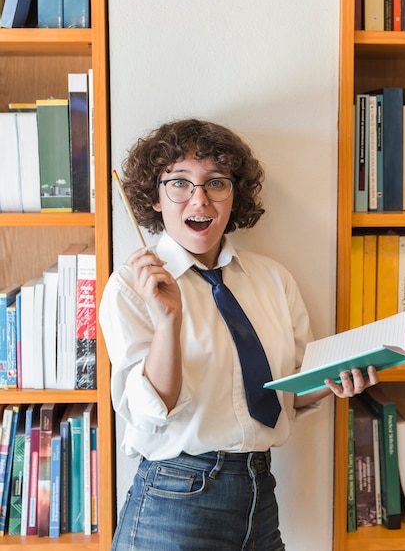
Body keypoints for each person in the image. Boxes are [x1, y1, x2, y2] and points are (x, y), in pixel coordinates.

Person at [99, 118, 379, 551]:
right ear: (154, 197)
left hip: (259, 494)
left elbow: (287, 391)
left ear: (234, 195)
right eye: (179, 183)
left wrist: (335, 383)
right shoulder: (130, 288)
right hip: (176, 498)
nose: (200, 198)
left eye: (216, 182)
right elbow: (154, 408)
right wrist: (168, 319)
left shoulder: (272, 278)